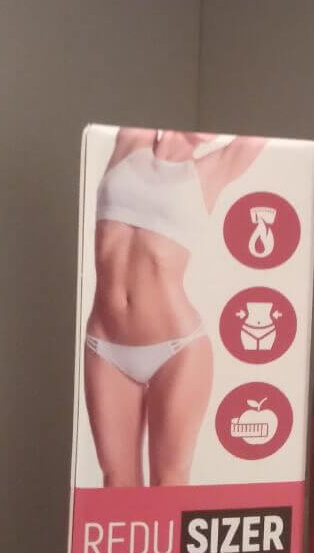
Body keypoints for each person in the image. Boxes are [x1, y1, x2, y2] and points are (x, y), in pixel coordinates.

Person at [84, 127, 264, 486]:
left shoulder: (213, 169)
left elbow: (259, 134)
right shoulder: (131, 141)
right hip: (104, 345)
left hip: (177, 349)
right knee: (116, 483)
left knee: (169, 482)